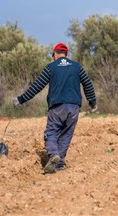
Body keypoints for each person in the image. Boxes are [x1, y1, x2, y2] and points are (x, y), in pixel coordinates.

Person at [13, 43, 97, 174]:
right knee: (66, 134)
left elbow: (37, 86)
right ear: (66, 54)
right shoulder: (77, 67)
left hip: (57, 106)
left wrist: (21, 99)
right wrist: (92, 103)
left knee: (51, 132)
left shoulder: (51, 68)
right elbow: (88, 85)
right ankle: (59, 164)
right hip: (74, 107)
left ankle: (53, 154)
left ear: (55, 54)